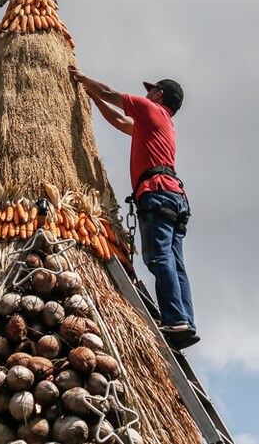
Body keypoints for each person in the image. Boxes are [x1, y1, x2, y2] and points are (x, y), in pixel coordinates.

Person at [69, 66, 198, 349]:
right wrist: (92, 96)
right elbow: (117, 120)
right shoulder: (160, 123)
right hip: (174, 196)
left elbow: (110, 93)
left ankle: (175, 320)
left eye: (149, 89)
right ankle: (185, 321)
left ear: (158, 94)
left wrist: (81, 78)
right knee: (176, 263)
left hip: (157, 192)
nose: (145, 93)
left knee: (158, 256)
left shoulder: (149, 109)